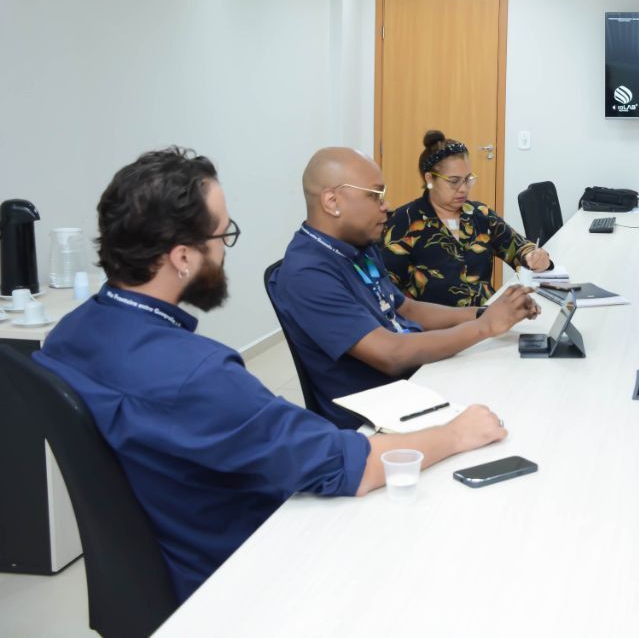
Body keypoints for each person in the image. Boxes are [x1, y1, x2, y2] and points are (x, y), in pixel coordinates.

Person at [33, 148, 507, 602]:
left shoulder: (68, 337)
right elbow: (351, 465)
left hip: (163, 562)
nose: (225, 251)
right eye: (222, 236)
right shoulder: (199, 374)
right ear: (181, 257)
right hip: (241, 572)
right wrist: (456, 434)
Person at [270, 147, 540, 429]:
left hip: (417, 379)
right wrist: (485, 327)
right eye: (374, 195)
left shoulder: (358, 246)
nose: (385, 205)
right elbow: (392, 355)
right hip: (381, 414)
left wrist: (484, 313)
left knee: (518, 381)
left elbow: (405, 308)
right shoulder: (308, 273)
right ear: (332, 201)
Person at [381, 130, 553, 307]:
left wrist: (535, 256)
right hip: (436, 329)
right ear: (430, 178)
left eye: (468, 179)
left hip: (487, 319)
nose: (463, 189)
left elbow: (519, 248)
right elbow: (387, 289)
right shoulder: (405, 221)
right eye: (454, 181)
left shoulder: (480, 214)